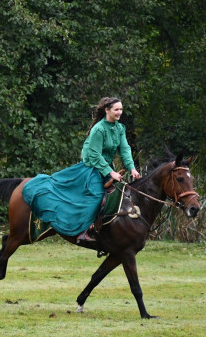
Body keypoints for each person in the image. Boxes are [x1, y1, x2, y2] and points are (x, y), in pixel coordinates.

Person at [22, 96, 141, 243]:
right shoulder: (98, 129)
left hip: (107, 168)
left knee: (120, 194)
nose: (119, 112)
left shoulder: (120, 128)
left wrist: (132, 168)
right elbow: (95, 155)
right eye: (116, 109)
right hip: (91, 168)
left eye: (121, 109)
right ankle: (83, 231)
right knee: (97, 195)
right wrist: (110, 172)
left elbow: (125, 149)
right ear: (107, 110)